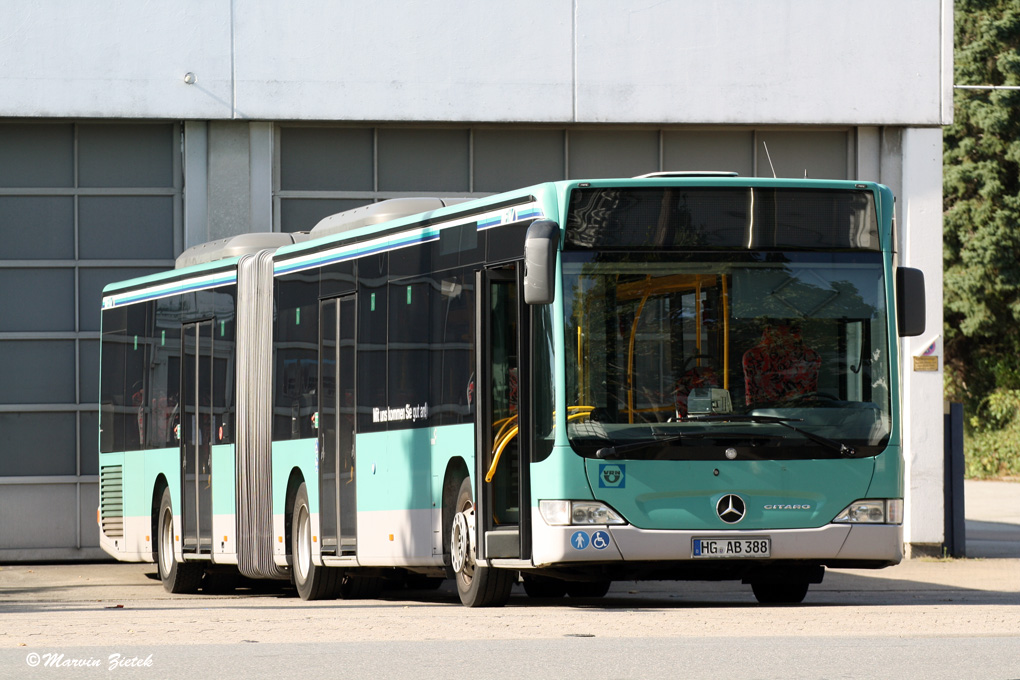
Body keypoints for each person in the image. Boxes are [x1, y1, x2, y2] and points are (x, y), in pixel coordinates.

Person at [742, 321, 820, 407]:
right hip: (765, 415)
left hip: (800, 413)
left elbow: (811, 396)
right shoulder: (810, 357)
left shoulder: (811, 357)